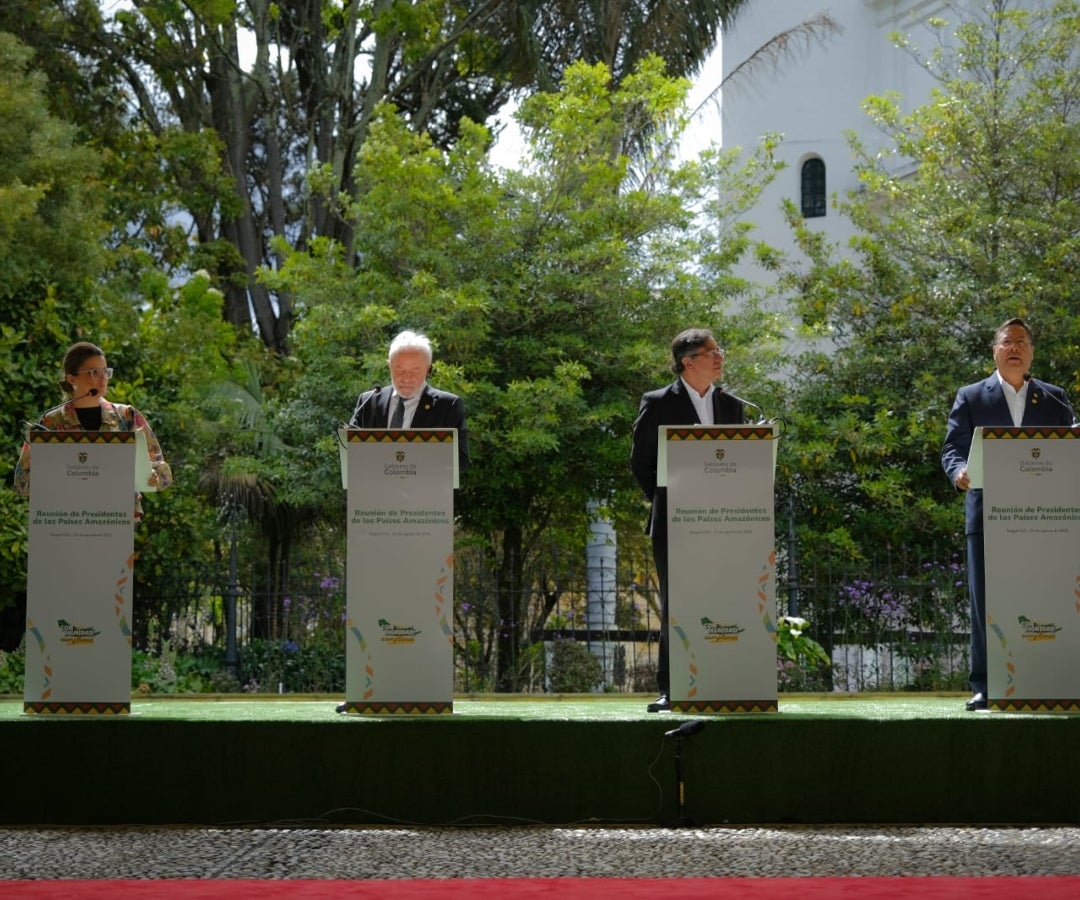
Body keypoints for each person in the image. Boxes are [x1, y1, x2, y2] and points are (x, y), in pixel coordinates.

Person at [941, 318, 1075, 712]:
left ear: (1031, 352)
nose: (1014, 347)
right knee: (985, 601)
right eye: (1007, 341)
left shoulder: (1054, 399)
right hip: (988, 515)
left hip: (1047, 519)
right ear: (995, 351)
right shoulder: (971, 396)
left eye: (1022, 341)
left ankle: (1051, 678)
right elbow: (952, 449)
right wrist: (958, 472)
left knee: (1046, 594)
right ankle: (985, 685)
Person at [630, 328, 747, 712]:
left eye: (719, 350)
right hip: (675, 522)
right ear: (688, 362)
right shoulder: (658, 402)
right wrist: (669, 500)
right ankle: (674, 688)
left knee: (721, 599)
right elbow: (641, 463)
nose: (720, 357)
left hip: (725, 522)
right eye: (712, 352)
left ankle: (722, 682)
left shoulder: (732, 405)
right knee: (678, 604)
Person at [13, 341, 173, 514]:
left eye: (106, 372)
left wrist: (152, 475)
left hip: (115, 517)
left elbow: (162, 472)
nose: (103, 378)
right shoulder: (51, 422)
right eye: (94, 372)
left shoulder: (126, 416)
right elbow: (22, 482)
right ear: (71, 378)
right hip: (66, 517)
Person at [348, 330, 470, 472]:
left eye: (415, 371)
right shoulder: (369, 401)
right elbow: (350, 451)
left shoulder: (448, 405)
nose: (406, 378)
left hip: (424, 485)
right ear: (389, 366)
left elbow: (461, 461)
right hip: (374, 484)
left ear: (428, 369)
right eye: (399, 370)